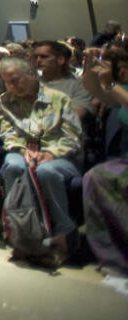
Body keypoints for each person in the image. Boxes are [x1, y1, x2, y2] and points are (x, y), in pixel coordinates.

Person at [0, 56, 83, 267]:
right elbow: (7, 131)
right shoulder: (4, 101)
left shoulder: (58, 98)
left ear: (31, 75)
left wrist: (51, 153)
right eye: (6, 81)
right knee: (14, 166)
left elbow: (72, 135)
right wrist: (21, 148)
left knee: (46, 172)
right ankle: (21, 235)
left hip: (61, 155)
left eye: (15, 80)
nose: (11, 86)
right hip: (22, 151)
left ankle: (61, 238)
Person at [81, 45, 128, 280]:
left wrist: (111, 84)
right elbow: (96, 90)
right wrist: (90, 68)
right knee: (95, 177)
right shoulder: (123, 89)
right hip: (124, 161)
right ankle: (113, 256)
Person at [32, 40, 94, 118]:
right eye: (35, 57)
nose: (38, 60)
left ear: (60, 60)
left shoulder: (79, 84)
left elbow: (76, 114)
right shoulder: (32, 84)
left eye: (44, 57)